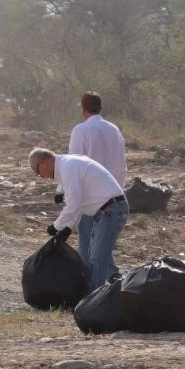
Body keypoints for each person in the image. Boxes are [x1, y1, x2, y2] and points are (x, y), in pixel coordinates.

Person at [30, 147, 128, 286]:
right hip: (102, 211)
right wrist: (67, 228)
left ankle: (92, 301)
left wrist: (56, 226)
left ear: (43, 162)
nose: (40, 176)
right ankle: (91, 296)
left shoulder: (68, 167)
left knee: (97, 257)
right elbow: (78, 204)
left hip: (112, 210)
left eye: (38, 172)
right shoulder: (66, 165)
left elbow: (73, 204)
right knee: (88, 255)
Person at [61, 91, 128, 261]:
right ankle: (109, 282)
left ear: (83, 109)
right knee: (102, 250)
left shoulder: (81, 130)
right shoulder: (114, 130)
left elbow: (73, 164)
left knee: (87, 247)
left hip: (91, 196)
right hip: (114, 196)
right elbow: (122, 165)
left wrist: (63, 191)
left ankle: (90, 284)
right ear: (100, 108)